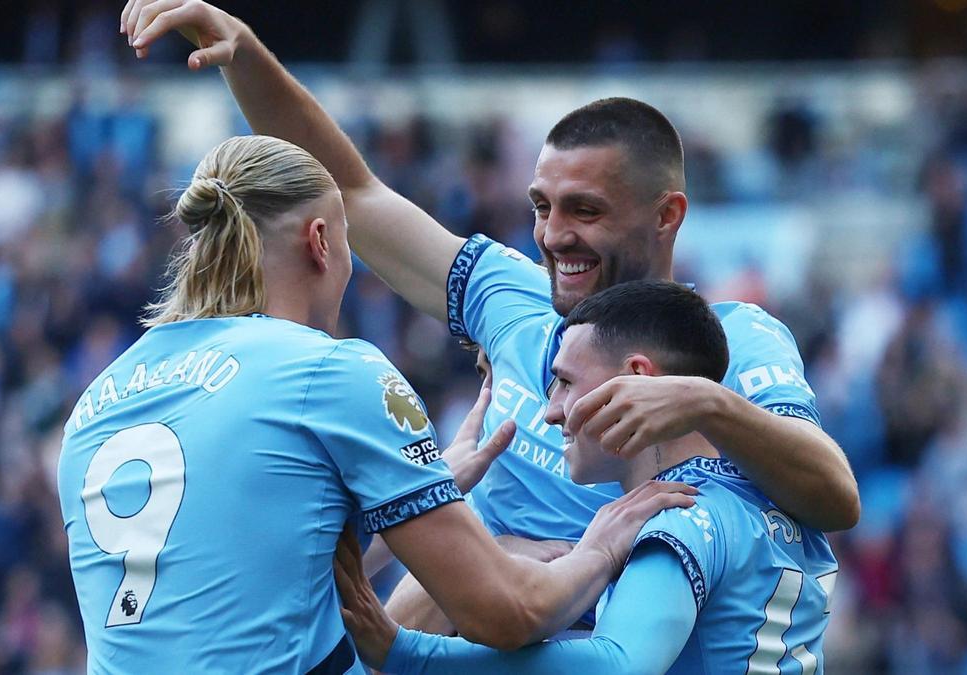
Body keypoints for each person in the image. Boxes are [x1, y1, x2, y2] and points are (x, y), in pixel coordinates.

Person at [123, 0, 858, 629]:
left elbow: (834, 494)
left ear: (667, 216)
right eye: (542, 206)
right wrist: (245, 56)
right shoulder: (510, 296)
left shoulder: (734, 339)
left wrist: (705, 401)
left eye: (585, 210)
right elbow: (354, 190)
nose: (552, 234)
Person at [56, 135, 698, 673]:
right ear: (320, 242)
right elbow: (506, 612)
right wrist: (600, 548)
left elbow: (252, 580)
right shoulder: (332, 369)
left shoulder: (99, 399)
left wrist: (424, 488)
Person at [335, 280, 840, 674]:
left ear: (637, 381)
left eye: (565, 382)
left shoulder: (681, 513)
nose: (551, 411)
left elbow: (619, 662)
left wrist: (405, 652)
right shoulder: (764, 489)